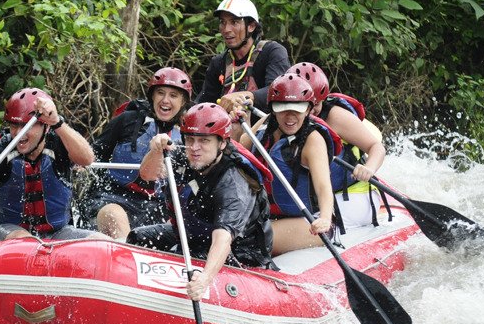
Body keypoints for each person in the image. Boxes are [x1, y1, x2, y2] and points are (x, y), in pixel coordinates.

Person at [127, 103, 274, 301]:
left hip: (240, 253)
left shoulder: (234, 182)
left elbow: (223, 239)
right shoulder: (184, 155)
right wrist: (155, 151)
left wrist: (204, 279)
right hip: (194, 234)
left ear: (222, 143)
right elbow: (147, 174)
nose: (195, 148)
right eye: (190, 139)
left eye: (204, 141)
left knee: (194, 262)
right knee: (138, 237)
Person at [0, 88, 105, 244]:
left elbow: (87, 159)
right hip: (5, 232)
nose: (19, 133)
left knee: (102, 241)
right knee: (27, 242)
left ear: (46, 127)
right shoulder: (0, 151)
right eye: (13, 125)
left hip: (57, 233)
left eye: (27, 125)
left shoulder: (60, 143)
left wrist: (57, 122)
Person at [82, 67, 192, 240]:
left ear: (183, 101)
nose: (165, 100)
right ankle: (129, 255)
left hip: (158, 207)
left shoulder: (188, 135)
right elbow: (94, 154)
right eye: (160, 93)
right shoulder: (127, 120)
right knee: (114, 215)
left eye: (173, 95)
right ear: (152, 96)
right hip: (114, 198)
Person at [236, 74, 338, 255]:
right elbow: (237, 151)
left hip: (309, 222)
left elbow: (324, 187)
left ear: (308, 110)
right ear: (273, 109)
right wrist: (237, 124)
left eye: (297, 109)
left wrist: (325, 218)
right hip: (266, 216)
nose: (290, 116)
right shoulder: (265, 125)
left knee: (248, 241)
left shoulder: (312, 140)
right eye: (282, 108)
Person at [287, 62, 387, 229]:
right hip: (318, 199)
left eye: (316, 104)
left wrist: (368, 168)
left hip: (353, 195)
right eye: (303, 105)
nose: (309, 111)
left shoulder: (335, 117)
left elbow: (377, 147)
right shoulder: (286, 118)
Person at [195, 0, 291, 118]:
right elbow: (204, 102)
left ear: (251, 26)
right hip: (227, 131)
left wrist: (244, 96)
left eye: (234, 22)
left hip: (265, 129)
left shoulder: (272, 52)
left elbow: (280, 91)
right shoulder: (218, 63)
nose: (226, 29)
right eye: (222, 22)